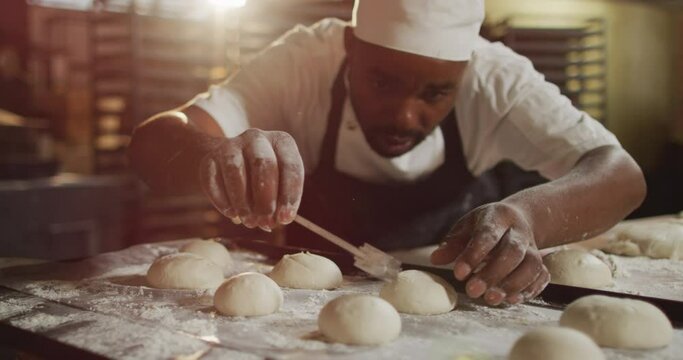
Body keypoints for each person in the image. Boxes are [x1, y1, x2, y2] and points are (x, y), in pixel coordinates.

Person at [128, 0, 646, 306]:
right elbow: (153, 141)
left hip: (455, 307)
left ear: (465, 74)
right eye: (381, 80)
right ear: (350, 47)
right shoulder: (303, 61)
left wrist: (529, 216)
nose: (404, 116)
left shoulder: (497, 78)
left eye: (435, 94)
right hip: (308, 305)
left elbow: (620, 174)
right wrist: (212, 154)